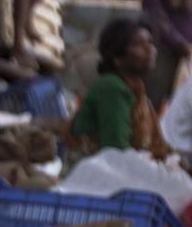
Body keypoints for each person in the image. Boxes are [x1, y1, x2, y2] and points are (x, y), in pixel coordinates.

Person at [69, 17, 173, 160]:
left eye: (150, 42)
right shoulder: (111, 88)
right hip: (98, 176)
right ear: (117, 57)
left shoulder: (136, 90)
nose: (150, 49)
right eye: (139, 44)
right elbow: (116, 151)